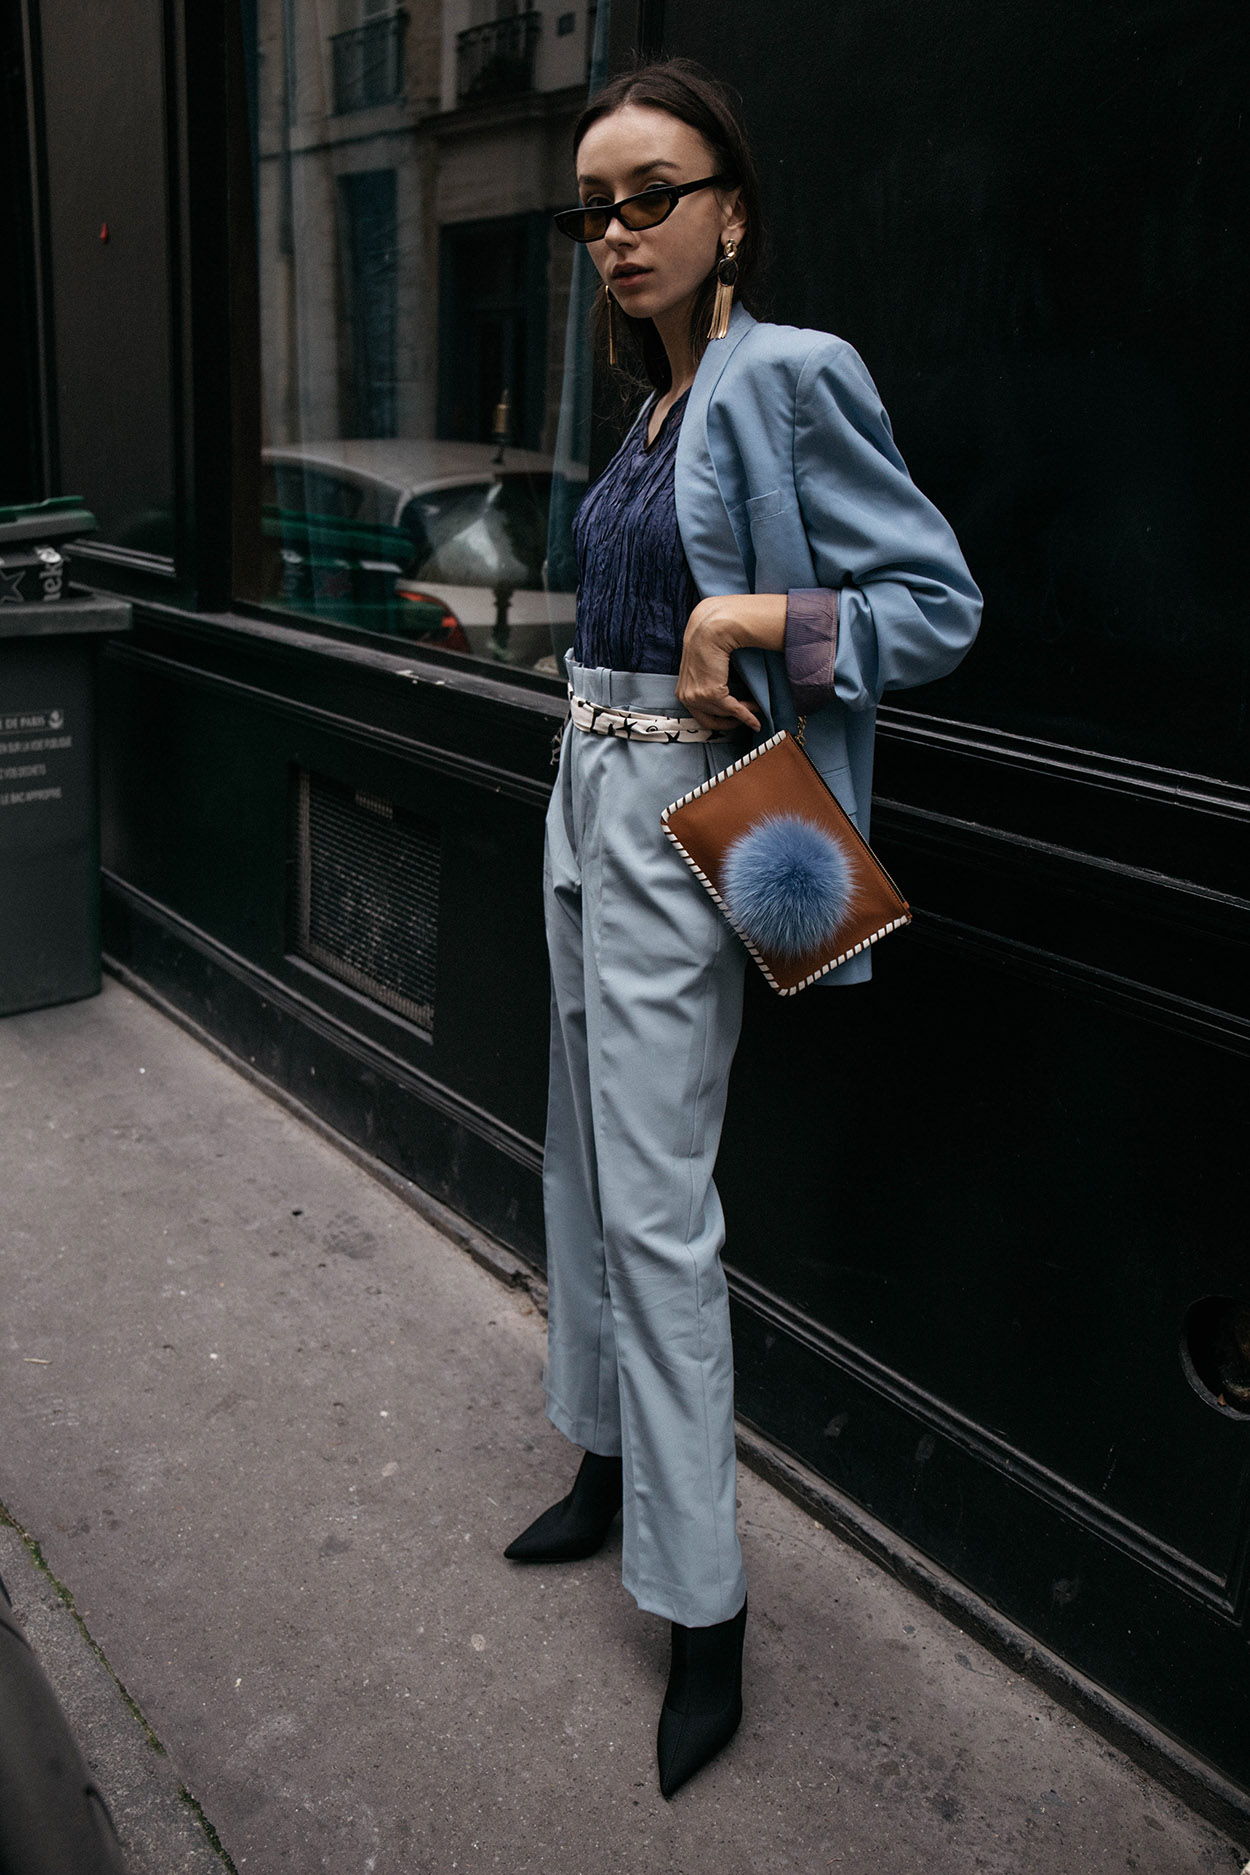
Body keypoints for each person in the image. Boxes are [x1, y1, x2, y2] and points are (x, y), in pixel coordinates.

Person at [504, 58, 982, 1798]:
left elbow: (938, 605)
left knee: (653, 1195)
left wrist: (754, 620)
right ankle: (608, 1463)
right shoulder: (648, 402)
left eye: (649, 197)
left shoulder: (788, 377)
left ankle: (703, 1611)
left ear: (730, 215)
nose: (615, 234)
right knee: (577, 1157)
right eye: (592, 210)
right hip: (584, 790)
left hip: (689, 819)